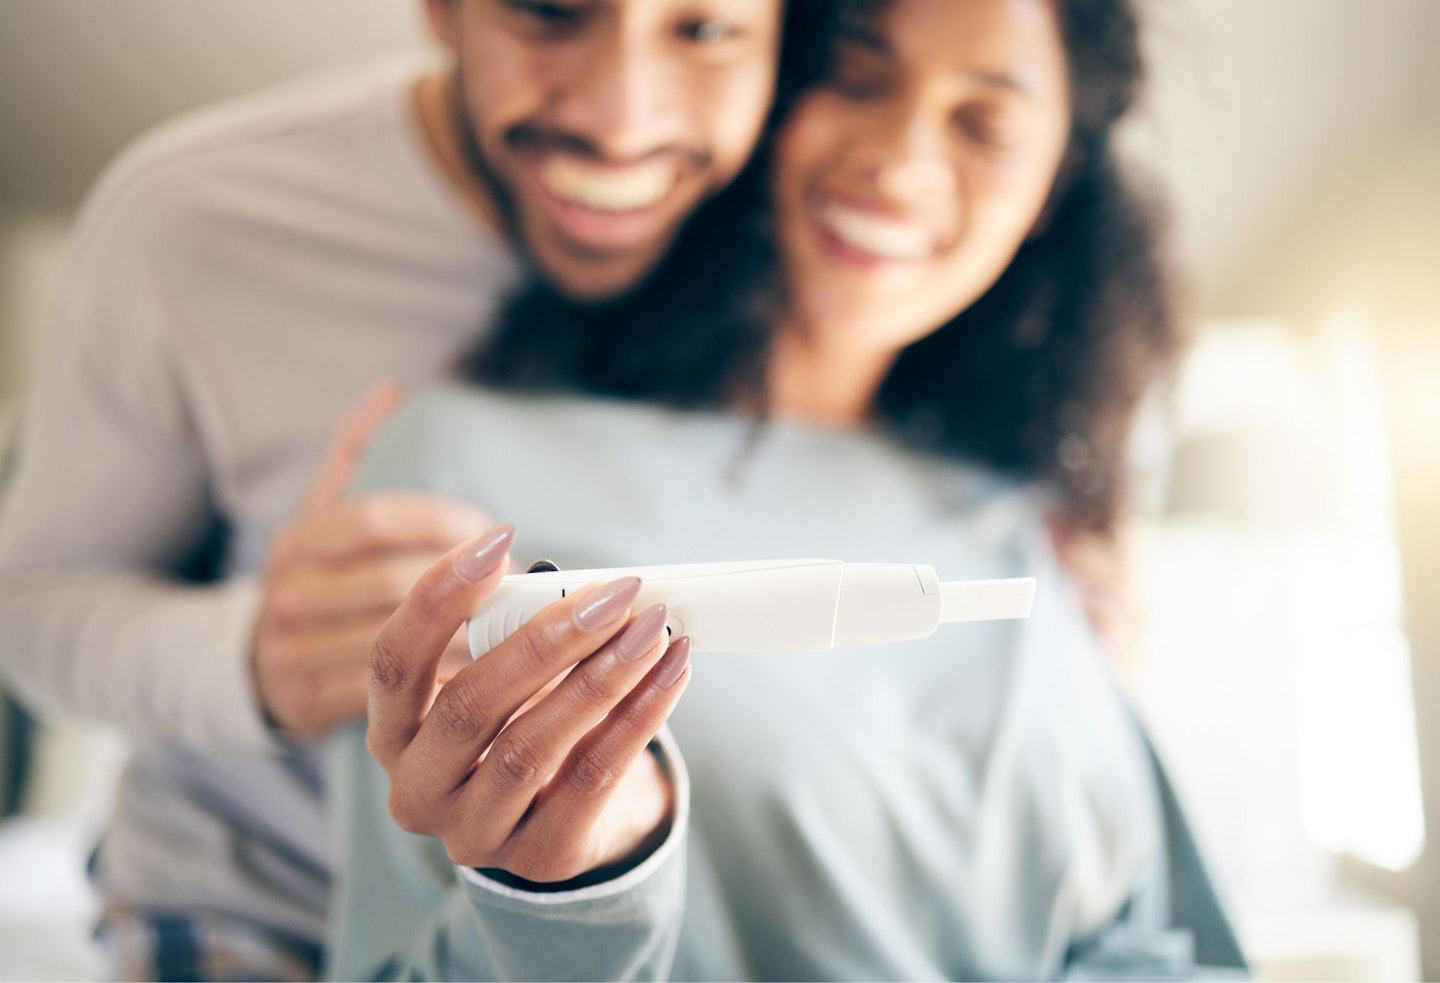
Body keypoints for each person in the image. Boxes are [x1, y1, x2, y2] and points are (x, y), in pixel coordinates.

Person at [325, 0, 1248, 978]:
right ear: (767, 90)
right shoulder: (462, 466)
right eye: (855, 78)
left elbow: (1154, 939)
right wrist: (582, 890)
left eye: (986, 124)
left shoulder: (1032, 522)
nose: (900, 162)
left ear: (1053, 189)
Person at [0, 0, 812, 977]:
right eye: (551, 12)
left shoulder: (819, 233)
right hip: (265, 904)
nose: (621, 117)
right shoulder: (195, 222)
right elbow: (34, 601)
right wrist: (257, 658)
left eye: (705, 30)